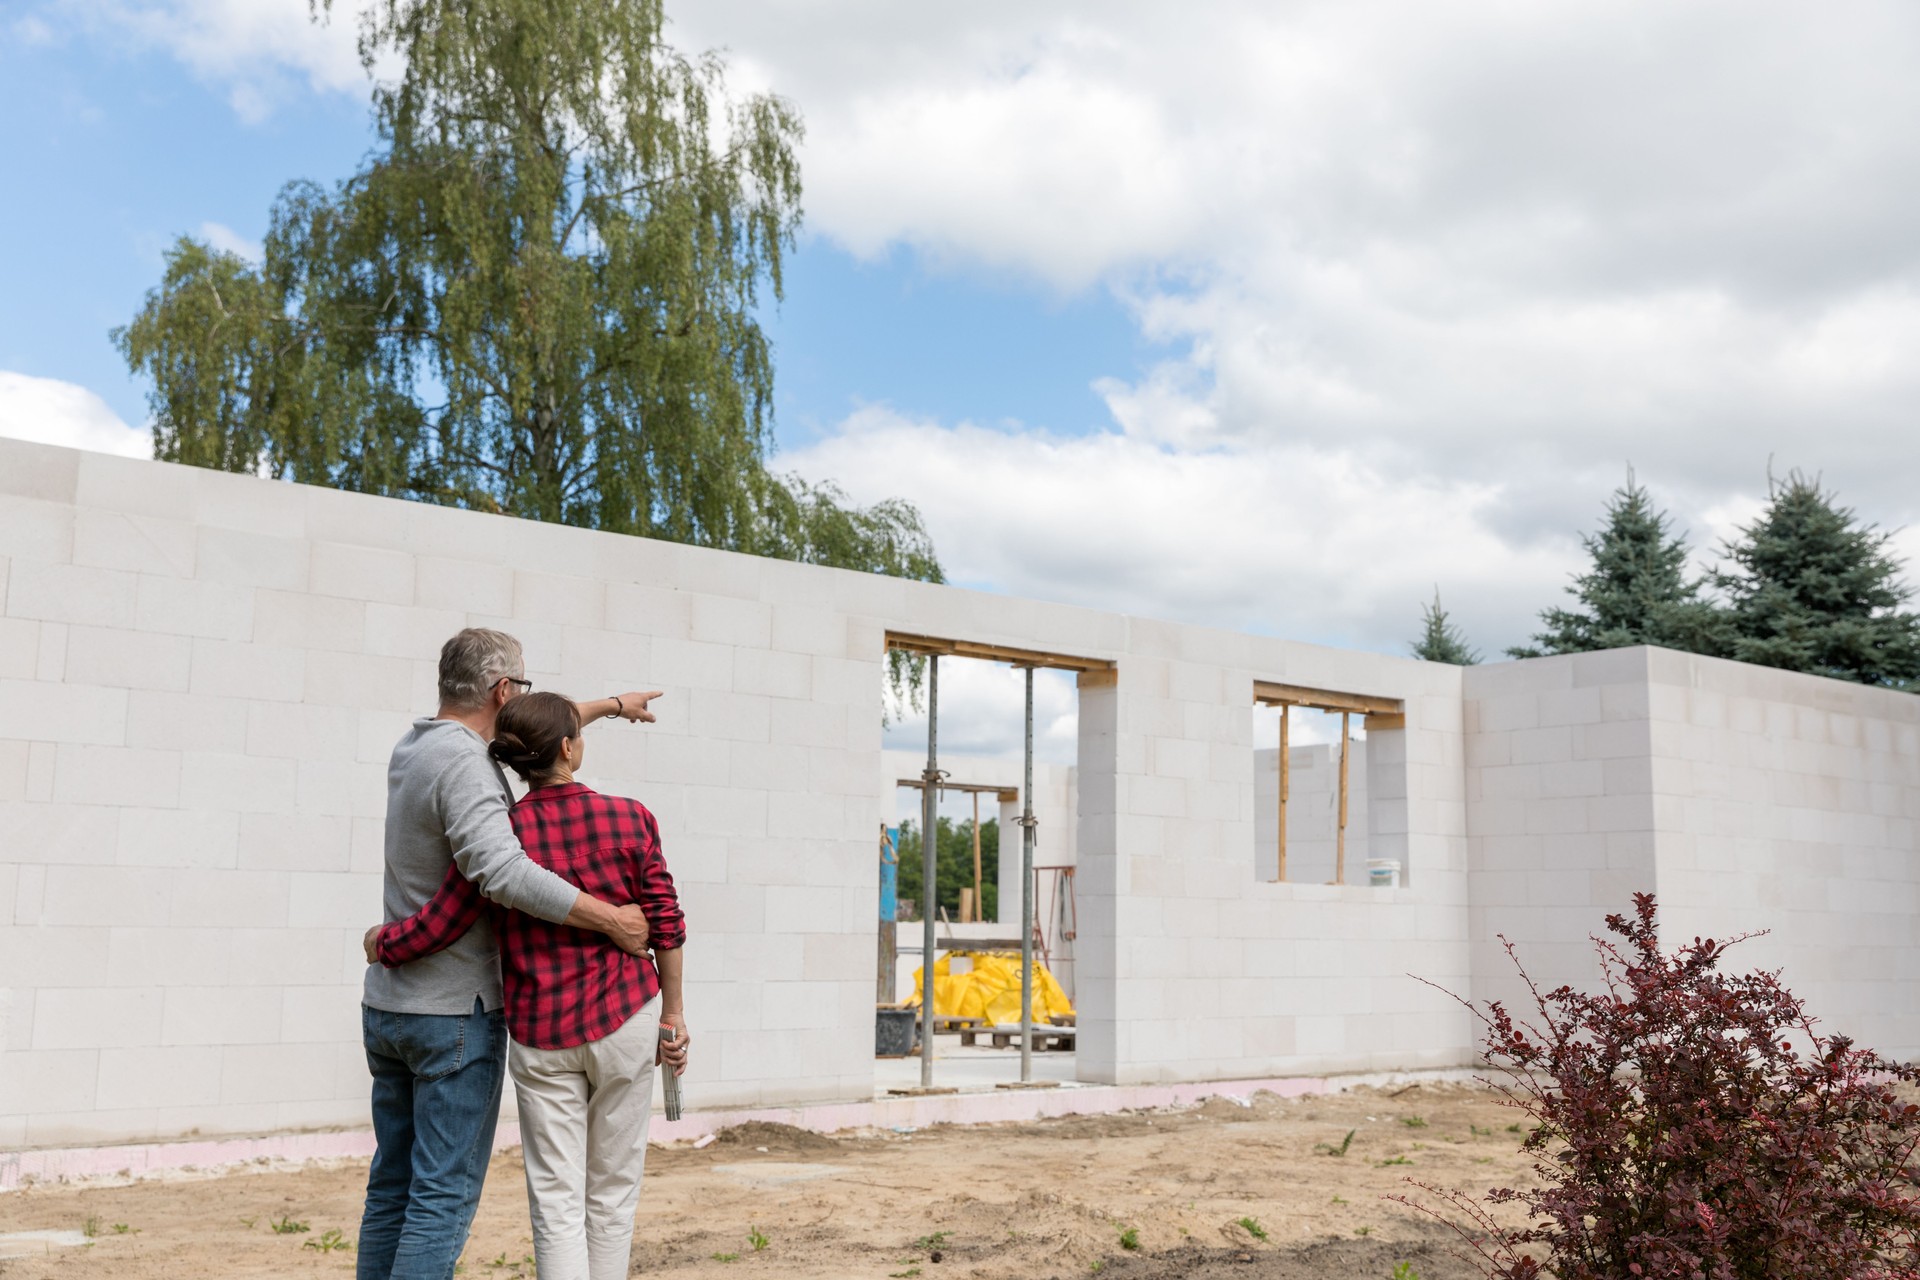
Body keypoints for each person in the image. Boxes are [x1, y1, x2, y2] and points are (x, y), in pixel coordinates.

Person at [357, 627, 670, 1280]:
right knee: (440, 1195)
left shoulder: (414, 746)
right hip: (452, 1015)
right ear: (503, 690)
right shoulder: (470, 768)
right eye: (521, 687)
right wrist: (612, 919)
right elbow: (497, 874)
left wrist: (610, 705)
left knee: (391, 1187)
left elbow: (538, 733)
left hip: (391, 1009)